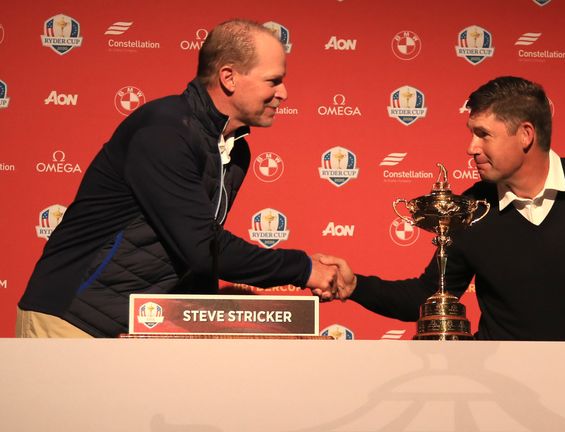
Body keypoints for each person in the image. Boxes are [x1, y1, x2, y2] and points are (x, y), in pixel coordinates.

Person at [17, 19, 340, 338]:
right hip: (71, 320)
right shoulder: (166, 132)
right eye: (273, 81)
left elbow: (196, 256)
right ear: (229, 77)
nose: (283, 93)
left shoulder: (236, 150)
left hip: (133, 326)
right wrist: (305, 269)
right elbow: (204, 249)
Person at [324, 76, 565, 341]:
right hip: (498, 388)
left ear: (526, 135)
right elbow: (426, 296)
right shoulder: (470, 209)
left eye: (483, 134)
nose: (470, 147)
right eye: (471, 133)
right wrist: (356, 286)